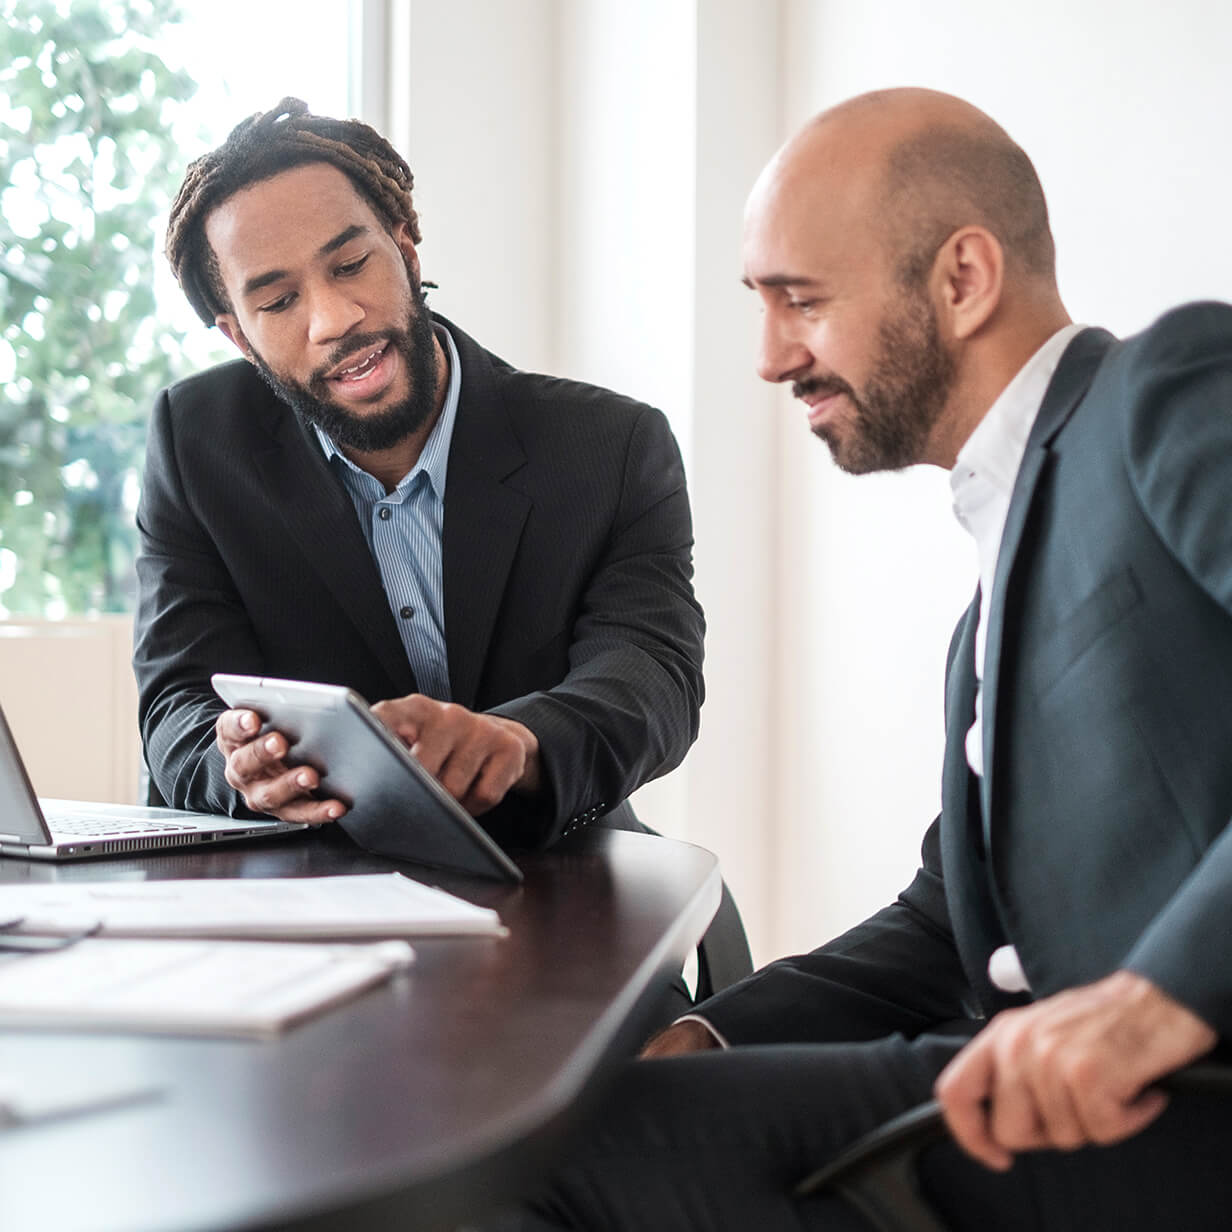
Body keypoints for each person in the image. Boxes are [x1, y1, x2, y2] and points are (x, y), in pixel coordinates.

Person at [502, 88, 1232, 1230]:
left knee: (540, 1156)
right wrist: (708, 1032)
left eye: (800, 299)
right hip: (1013, 1099)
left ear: (960, 279)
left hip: (1172, 1110)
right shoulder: (989, 594)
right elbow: (945, 921)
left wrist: (1158, 995)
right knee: (577, 1111)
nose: (766, 356)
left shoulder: (1164, 390)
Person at [133, 99, 705, 853]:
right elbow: (177, 700)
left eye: (350, 264)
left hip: (551, 875)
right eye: (278, 301)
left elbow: (650, 676)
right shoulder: (194, 442)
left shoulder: (611, 446)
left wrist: (518, 742)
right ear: (240, 335)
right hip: (303, 886)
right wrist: (236, 764)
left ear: (406, 248)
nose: (334, 318)